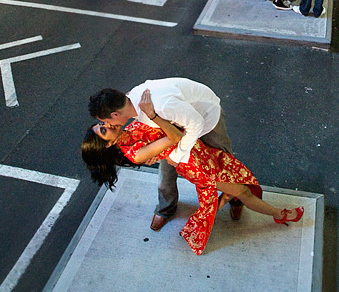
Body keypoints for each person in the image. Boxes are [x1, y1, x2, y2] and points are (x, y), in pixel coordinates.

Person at [83, 91, 303, 255]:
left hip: (200, 151)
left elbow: (129, 108)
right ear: (108, 145)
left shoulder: (129, 129)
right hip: (197, 165)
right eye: (103, 129)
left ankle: (227, 199)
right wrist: (154, 116)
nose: (107, 124)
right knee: (243, 191)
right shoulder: (135, 154)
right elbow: (174, 137)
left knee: (239, 183)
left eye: (103, 122)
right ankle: (279, 214)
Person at [88, 79, 252, 233]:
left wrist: (176, 154)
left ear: (115, 114)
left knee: (225, 162)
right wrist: (154, 150)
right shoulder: (131, 103)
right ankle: (166, 209)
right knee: (165, 178)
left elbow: (195, 125)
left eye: (105, 121)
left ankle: (237, 198)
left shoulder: (160, 106)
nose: (108, 124)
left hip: (205, 118)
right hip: (177, 127)